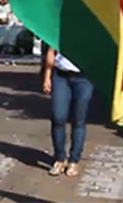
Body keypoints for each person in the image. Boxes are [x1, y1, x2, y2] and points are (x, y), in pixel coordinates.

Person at [42, 48, 93, 177]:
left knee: (78, 120)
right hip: (60, 76)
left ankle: (74, 160)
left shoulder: (92, 29)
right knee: (58, 116)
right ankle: (59, 158)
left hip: (85, 77)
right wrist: (47, 77)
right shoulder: (61, 29)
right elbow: (51, 51)